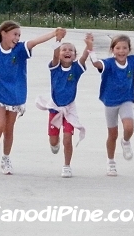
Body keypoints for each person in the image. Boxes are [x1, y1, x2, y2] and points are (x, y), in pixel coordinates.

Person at [0, 16, 65, 175]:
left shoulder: (21, 49)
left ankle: (6, 158)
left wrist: (54, 34)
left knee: (9, 130)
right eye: (14, 34)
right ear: (3, 33)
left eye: (19, 35)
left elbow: (35, 42)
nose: (17, 38)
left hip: (15, 96)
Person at [87, 32, 134, 176]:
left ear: (129, 50)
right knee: (112, 134)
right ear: (113, 50)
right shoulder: (109, 63)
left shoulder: (133, 61)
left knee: (129, 127)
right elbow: (96, 64)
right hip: (110, 102)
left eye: (124, 48)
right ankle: (111, 162)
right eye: (118, 48)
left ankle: (125, 141)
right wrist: (90, 49)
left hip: (126, 100)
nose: (121, 51)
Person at [35, 32, 92, 178]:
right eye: (64, 50)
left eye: (70, 50)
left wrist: (89, 45)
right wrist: (58, 40)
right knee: (54, 140)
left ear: (74, 55)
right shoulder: (55, 67)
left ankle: (67, 165)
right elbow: (54, 56)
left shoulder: (76, 69)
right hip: (55, 107)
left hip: (69, 108)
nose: (67, 52)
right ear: (59, 53)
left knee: (68, 138)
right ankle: (54, 143)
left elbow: (84, 58)